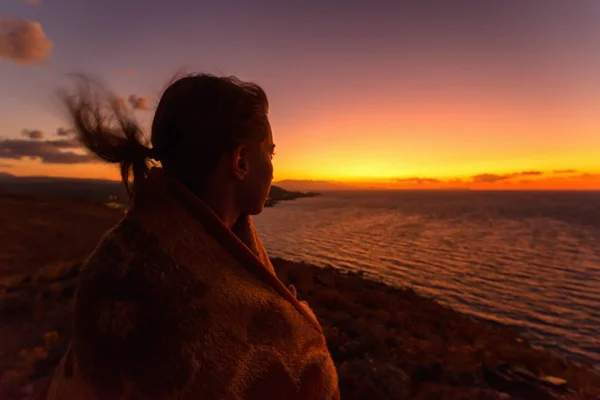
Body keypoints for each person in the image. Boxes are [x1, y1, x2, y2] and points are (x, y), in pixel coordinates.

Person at [44, 74, 340, 399]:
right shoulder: (278, 338)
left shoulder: (112, 260)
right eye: (269, 154)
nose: (272, 168)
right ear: (240, 161)